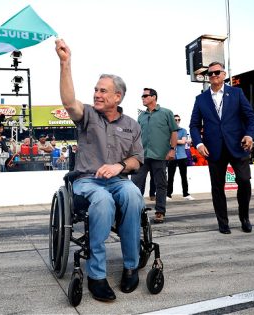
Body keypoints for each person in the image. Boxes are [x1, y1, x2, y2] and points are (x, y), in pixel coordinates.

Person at [56, 38, 144, 302]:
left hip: (118, 180)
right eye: (96, 89)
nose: (97, 94)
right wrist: (65, 63)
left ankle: (131, 266)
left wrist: (119, 165)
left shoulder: (131, 124)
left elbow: (137, 159)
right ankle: (96, 274)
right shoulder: (88, 116)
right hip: (88, 181)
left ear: (117, 96)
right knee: (103, 201)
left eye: (103, 91)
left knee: (132, 194)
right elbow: (70, 101)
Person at [189, 61, 254, 234]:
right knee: (217, 187)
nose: (213, 76)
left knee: (244, 181)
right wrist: (199, 143)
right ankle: (223, 222)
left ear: (224, 74)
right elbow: (194, 125)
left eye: (217, 72)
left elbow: (250, 117)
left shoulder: (236, 93)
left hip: (238, 146)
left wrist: (249, 135)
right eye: (210, 74)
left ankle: (245, 218)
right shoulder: (200, 99)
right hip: (213, 149)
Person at [131, 88, 178, 224]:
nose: (143, 98)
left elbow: (174, 132)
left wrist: (172, 149)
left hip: (160, 155)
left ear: (154, 97)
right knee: (135, 185)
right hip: (142, 156)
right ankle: (137, 213)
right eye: (142, 96)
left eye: (145, 96)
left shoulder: (166, 113)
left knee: (161, 185)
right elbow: (136, 137)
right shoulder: (141, 117)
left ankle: (160, 212)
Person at [167, 115, 195, 201]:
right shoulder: (168, 130)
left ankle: (186, 194)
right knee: (170, 176)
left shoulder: (183, 130)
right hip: (172, 156)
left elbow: (183, 141)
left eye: (178, 119)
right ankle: (168, 195)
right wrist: (176, 141)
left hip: (182, 156)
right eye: (175, 120)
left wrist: (173, 140)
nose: (177, 121)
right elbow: (167, 141)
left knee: (184, 176)